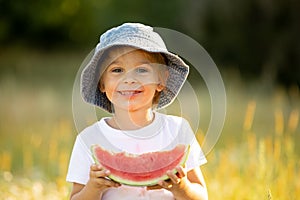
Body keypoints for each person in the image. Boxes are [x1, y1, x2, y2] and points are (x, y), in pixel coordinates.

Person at [66, 22, 208, 200]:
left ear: (161, 80)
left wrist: (181, 187)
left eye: (142, 70)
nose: (129, 79)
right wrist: (94, 188)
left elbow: (202, 196)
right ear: (101, 83)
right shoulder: (89, 140)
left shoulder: (178, 130)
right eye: (117, 70)